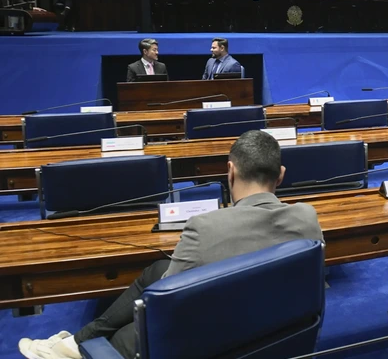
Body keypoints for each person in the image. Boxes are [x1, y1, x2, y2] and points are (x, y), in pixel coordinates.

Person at [17, 130, 324, 359]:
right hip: (274, 331)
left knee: (135, 324)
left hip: (210, 340)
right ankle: (76, 341)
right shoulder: (308, 218)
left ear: (230, 170)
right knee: (159, 269)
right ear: (281, 175)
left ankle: (77, 348)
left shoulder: (206, 227)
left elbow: (166, 307)